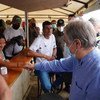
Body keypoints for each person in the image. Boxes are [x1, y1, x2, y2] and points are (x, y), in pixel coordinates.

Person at [25, 19, 100, 100]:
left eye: (67, 42)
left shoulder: (96, 70)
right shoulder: (77, 58)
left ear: (77, 43)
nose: (66, 46)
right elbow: (58, 64)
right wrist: (34, 66)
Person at [26, 21, 57, 93]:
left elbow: (55, 47)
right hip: (41, 66)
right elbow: (29, 52)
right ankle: (49, 90)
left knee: (66, 73)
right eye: (47, 28)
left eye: (51, 28)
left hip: (51, 64)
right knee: (47, 86)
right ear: (43, 29)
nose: (49, 30)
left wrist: (54, 55)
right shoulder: (39, 39)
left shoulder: (52, 36)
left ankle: (53, 87)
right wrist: (45, 56)